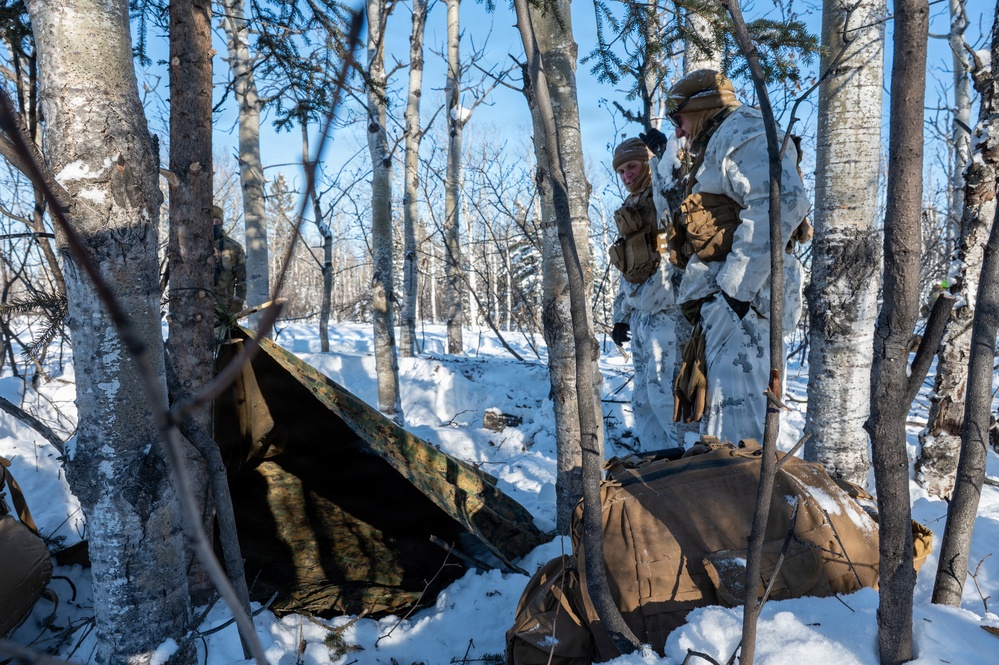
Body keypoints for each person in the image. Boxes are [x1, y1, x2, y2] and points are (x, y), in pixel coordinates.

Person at [647, 69, 811, 444]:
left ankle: (740, 502)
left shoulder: (743, 130)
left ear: (702, 107)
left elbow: (783, 202)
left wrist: (734, 293)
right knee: (719, 440)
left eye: (680, 119)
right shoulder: (720, 140)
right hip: (732, 309)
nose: (678, 132)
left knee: (740, 444)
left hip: (746, 312)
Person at [608, 137, 679, 450]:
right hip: (640, 319)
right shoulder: (631, 206)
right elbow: (630, 270)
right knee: (643, 402)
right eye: (621, 170)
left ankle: (685, 468)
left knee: (668, 402)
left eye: (632, 166)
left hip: (667, 318)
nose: (627, 175)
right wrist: (620, 316)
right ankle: (655, 466)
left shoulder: (663, 196)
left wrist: (662, 158)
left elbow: (674, 258)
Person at [213, 205, 246, 316]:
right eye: (210, 221)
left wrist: (238, 300)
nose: (213, 225)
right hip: (198, 306)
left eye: (216, 221)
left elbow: (242, 278)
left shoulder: (234, 247)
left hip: (224, 307)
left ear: (221, 223)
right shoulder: (195, 246)